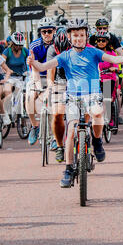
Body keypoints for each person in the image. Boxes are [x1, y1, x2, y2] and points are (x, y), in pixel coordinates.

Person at [28, 18, 123, 188]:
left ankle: (97, 141)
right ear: (70, 37)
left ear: (86, 36)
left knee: (98, 113)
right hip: (73, 96)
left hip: (92, 93)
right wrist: (32, 63)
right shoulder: (65, 55)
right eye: (75, 35)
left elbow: (113, 59)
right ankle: (69, 169)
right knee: (71, 131)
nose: (79, 38)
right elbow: (43, 67)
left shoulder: (94, 52)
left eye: (82, 35)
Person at [26, 17, 56, 146]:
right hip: (39, 75)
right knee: (29, 98)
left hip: (56, 76)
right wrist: (38, 87)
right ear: (40, 33)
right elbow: (34, 69)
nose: (47, 34)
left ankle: (56, 137)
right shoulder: (34, 46)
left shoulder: (59, 45)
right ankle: (34, 127)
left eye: (49, 31)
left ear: (54, 31)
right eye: (44, 32)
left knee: (56, 104)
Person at [46, 28, 71, 161]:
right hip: (59, 80)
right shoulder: (51, 50)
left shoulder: (76, 47)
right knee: (57, 114)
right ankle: (59, 145)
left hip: (74, 80)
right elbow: (51, 69)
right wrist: (50, 84)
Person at [95, 31, 120, 129]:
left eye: (103, 40)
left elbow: (116, 65)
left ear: (107, 42)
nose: (101, 42)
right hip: (97, 78)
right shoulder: (94, 53)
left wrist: (114, 68)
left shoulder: (111, 53)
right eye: (99, 40)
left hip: (108, 78)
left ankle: (110, 118)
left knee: (107, 99)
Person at [2, 32, 29, 114]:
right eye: (16, 45)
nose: (18, 47)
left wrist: (28, 70)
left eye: (20, 45)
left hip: (21, 76)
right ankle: (7, 111)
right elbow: (1, 63)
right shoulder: (7, 51)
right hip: (9, 76)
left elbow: (31, 61)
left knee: (22, 95)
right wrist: (6, 71)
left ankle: (22, 120)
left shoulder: (25, 51)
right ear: (12, 43)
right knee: (7, 91)